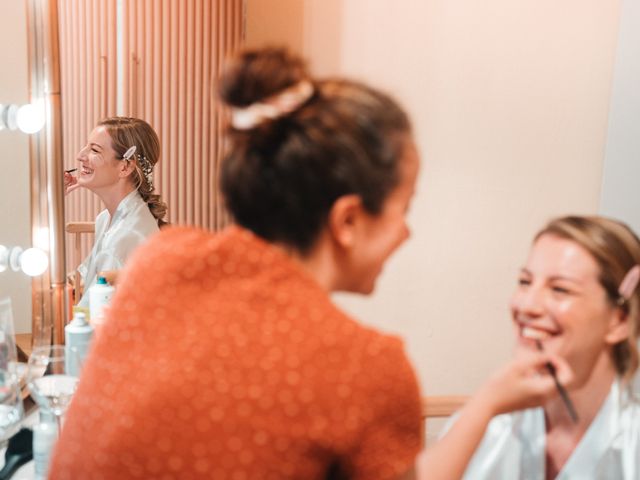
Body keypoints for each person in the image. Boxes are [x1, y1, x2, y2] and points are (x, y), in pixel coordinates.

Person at [51, 48, 570, 480]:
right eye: (402, 210)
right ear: (346, 221)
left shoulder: (163, 261)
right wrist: (488, 403)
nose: (408, 232)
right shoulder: (368, 368)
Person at [455, 215, 640, 479]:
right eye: (525, 282)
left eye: (560, 289)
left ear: (619, 321)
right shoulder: (481, 430)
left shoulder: (633, 447)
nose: (526, 306)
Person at [64, 117, 167, 306]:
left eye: (94, 150)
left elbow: (93, 316)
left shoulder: (124, 238)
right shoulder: (107, 219)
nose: (80, 155)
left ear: (125, 167)